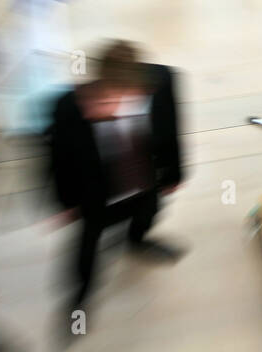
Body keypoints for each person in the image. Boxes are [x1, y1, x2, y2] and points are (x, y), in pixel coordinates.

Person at [49, 41, 183, 317]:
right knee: (88, 243)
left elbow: (172, 129)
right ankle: (81, 294)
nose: (99, 108)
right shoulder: (70, 107)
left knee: (149, 213)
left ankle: (137, 241)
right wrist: (65, 202)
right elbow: (58, 158)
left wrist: (174, 173)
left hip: (144, 181)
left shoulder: (161, 83)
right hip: (96, 190)